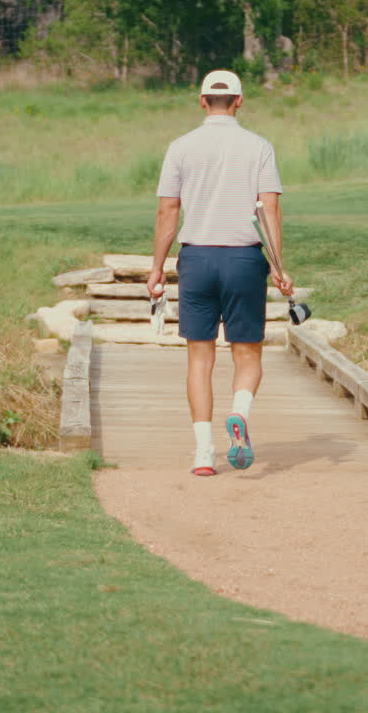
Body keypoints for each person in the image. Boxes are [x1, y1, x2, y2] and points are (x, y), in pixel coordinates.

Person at [147, 69, 294, 477]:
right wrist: (280, 268)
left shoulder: (181, 147)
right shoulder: (259, 147)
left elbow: (167, 212)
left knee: (200, 358)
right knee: (248, 354)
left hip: (196, 258)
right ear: (239, 101)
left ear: (202, 101)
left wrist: (157, 267)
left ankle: (202, 454)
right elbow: (269, 211)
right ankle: (239, 413)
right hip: (244, 260)